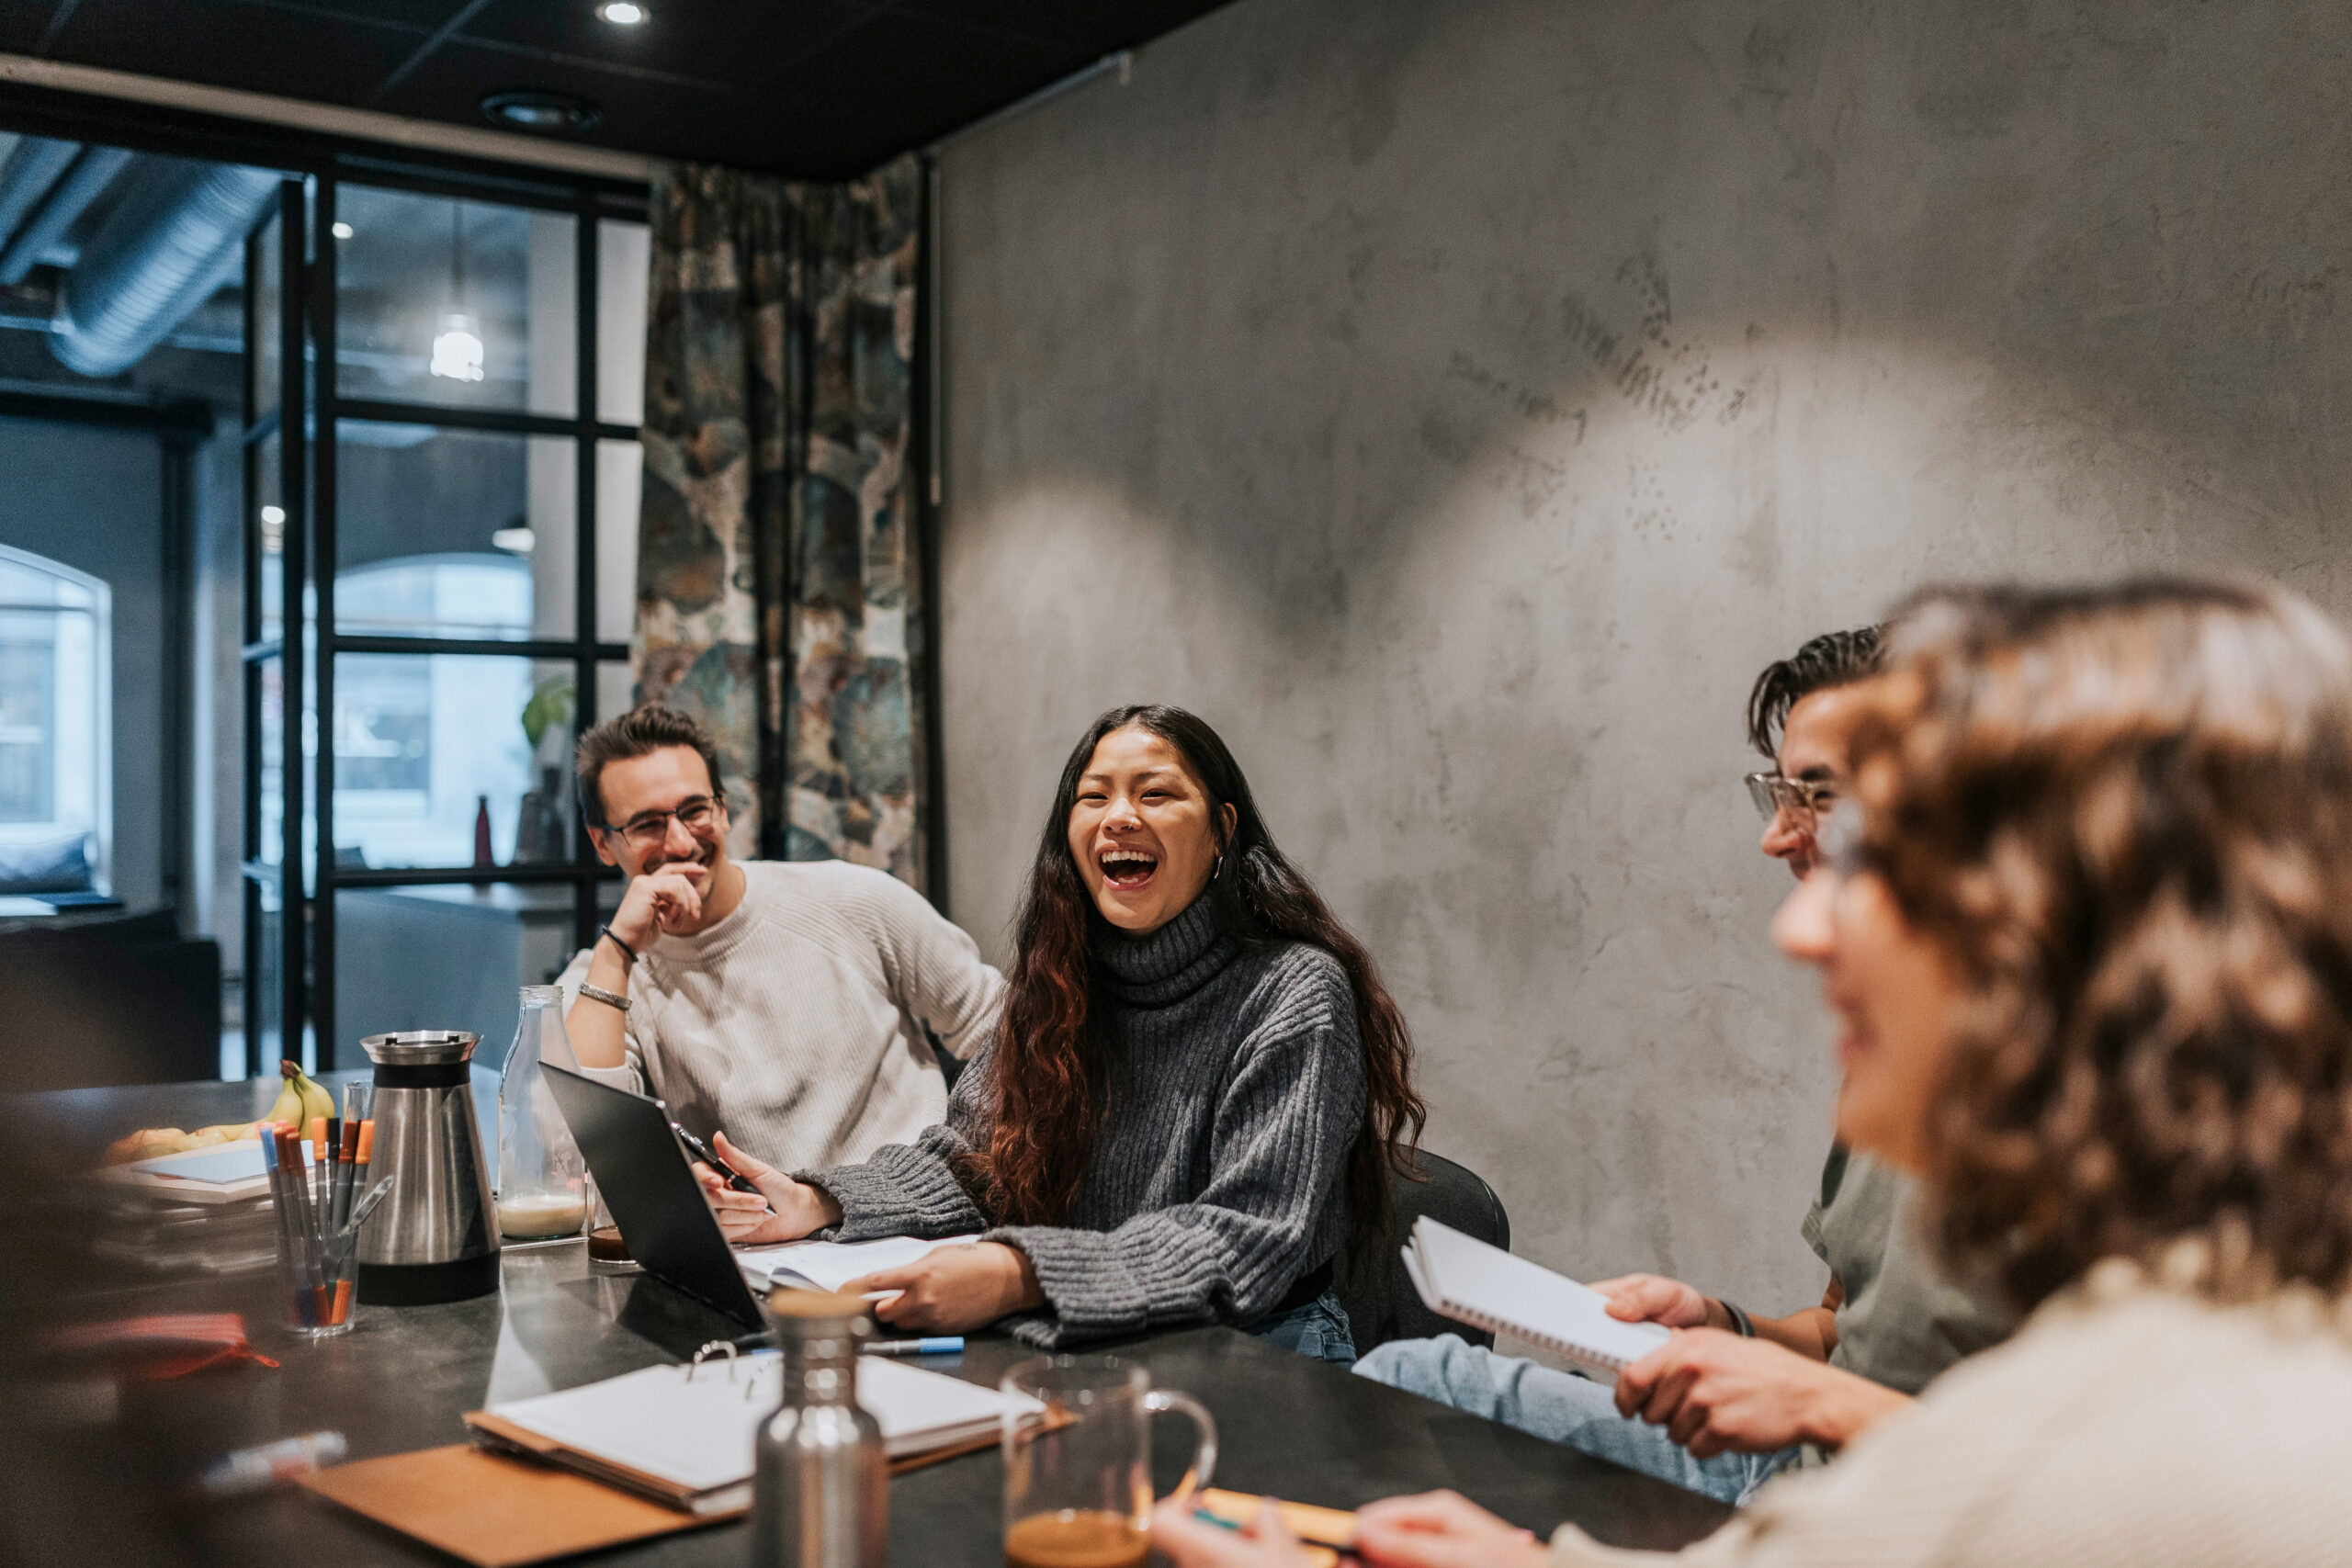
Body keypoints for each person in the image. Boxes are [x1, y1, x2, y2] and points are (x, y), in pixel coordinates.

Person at [1156, 578, 2352, 1567]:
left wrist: (1822, 1408)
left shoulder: (2101, 1455)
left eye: (1880, 848)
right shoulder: (2190, 1310)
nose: (1802, 911)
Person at [1353, 628, 2010, 1506]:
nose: (1778, 837)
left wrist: (1815, 1400)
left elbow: (2077, 1466)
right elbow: (1838, 1325)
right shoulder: (1883, 1045)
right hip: (1799, 1460)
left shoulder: (2080, 1094)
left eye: (1816, 795)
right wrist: (1718, 1325)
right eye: (1777, 793)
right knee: (1408, 1372)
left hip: (1908, 1510)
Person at [693, 704, 1428, 1358]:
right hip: (1089, 1341)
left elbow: (1243, 1237)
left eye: (1157, 793)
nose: (1118, 817)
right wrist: (816, 1200)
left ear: (1221, 832)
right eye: (1093, 796)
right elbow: (973, 1162)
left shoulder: (1293, 990)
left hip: (1262, 1355)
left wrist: (1021, 1273)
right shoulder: (1059, 979)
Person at [554, 704, 1003, 1171]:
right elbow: (580, 1153)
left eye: (694, 811)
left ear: (723, 810)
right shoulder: (604, 981)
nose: (682, 843)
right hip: (762, 1241)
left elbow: (1008, 1033)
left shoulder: (856, 900)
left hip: (913, 1218)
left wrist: (971, 1163)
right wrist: (617, 953)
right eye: (647, 824)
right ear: (603, 843)